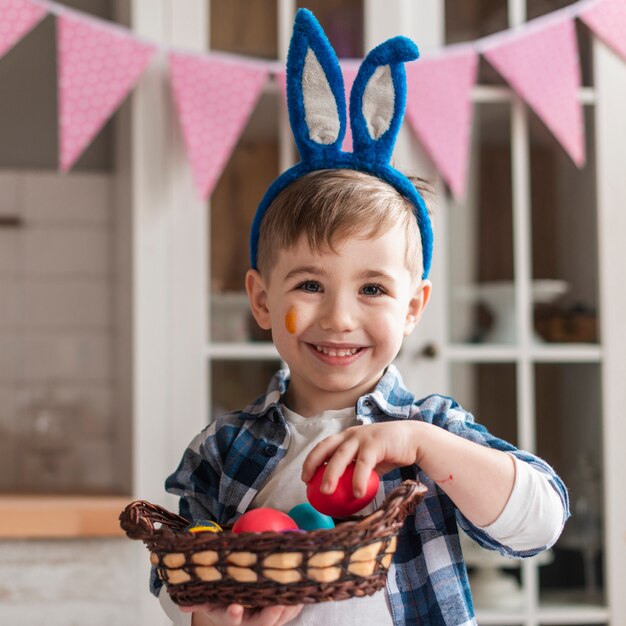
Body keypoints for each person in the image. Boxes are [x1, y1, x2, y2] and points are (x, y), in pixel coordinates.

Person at [153, 9, 569, 626]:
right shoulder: (226, 448)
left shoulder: (430, 431)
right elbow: (175, 568)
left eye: (372, 288)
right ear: (263, 302)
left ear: (413, 308)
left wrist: (421, 445)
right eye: (310, 285)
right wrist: (205, 610)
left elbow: (540, 522)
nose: (340, 317)